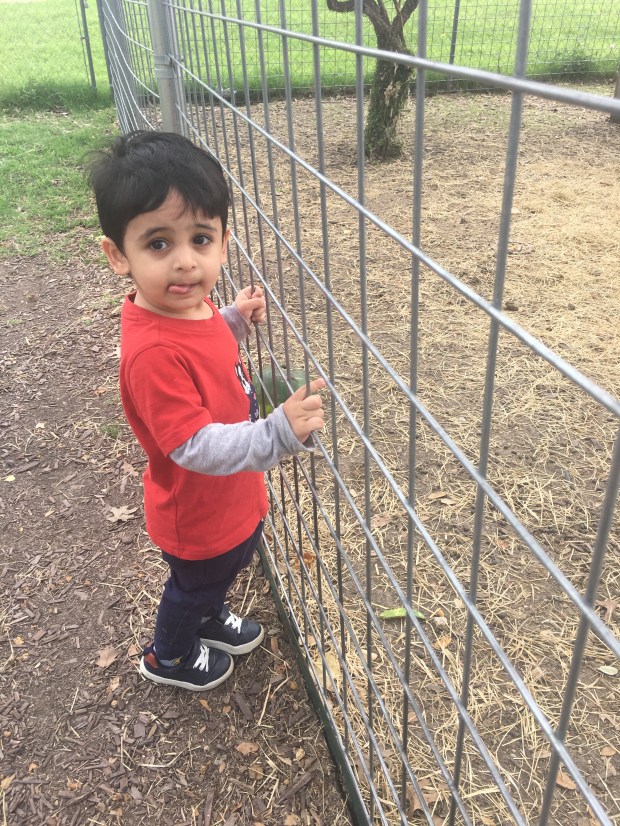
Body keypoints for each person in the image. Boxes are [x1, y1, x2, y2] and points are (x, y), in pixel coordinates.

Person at [88, 130, 325, 691]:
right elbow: (191, 444)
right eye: (158, 244)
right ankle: (169, 655)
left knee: (223, 571)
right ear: (119, 256)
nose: (185, 263)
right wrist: (275, 435)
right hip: (196, 514)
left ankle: (209, 615)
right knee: (193, 585)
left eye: (200, 239)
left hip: (228, 498)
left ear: (223, 242)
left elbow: (205, 348)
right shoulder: (151, 352)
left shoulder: (191, 310)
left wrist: (234, 320)